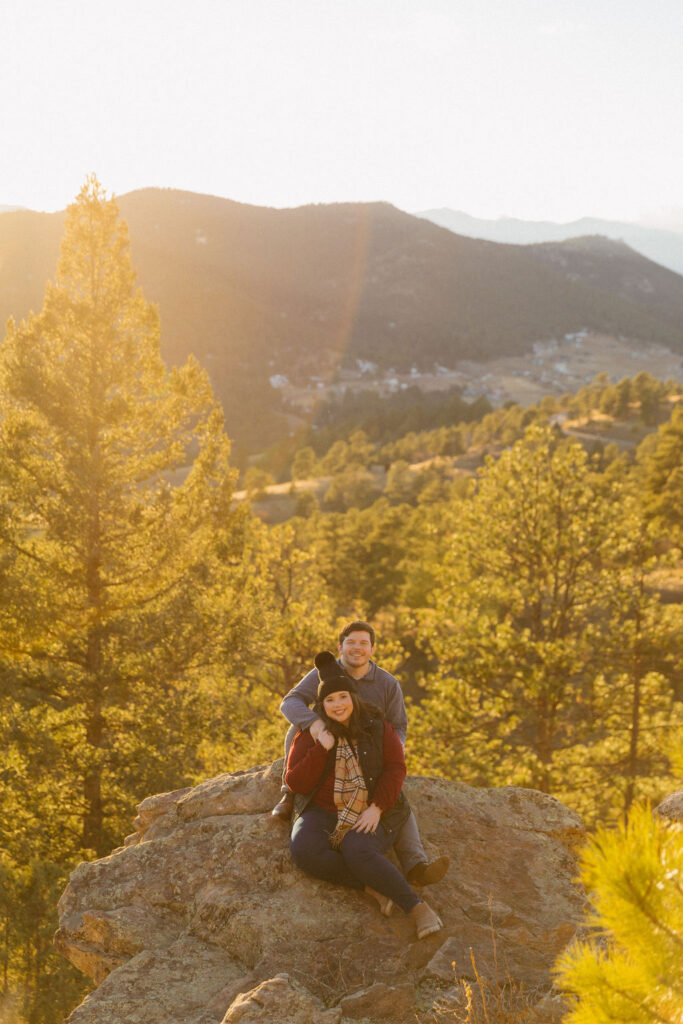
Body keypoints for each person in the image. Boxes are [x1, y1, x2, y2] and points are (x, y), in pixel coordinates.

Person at [273, 620, 449, 888]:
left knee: (394, 794)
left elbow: (399, 725)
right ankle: (289, 792)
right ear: (340, 647)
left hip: (370, 753)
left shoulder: (388, 683)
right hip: (329, 747)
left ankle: (416, 866)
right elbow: (290, 702)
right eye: (351, 642)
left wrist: (392, 754)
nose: (357, 648)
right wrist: (316, 725)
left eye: (363, 643)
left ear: (372, 649)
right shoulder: (323, 674)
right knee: (296, 728)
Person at [286, 650, 443, 940]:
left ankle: (417, 908)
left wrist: (378, 808)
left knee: (357, 849)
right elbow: (295, 782)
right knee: (304, 851)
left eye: (342, 697)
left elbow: (396, 768)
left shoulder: (376, 727)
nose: (337, 705)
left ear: (353, 697)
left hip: (370, 808)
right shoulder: (311, 733)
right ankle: (371, 886)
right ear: (322, 705)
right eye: (329, 700)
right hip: (322, 810)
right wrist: (322, 747)